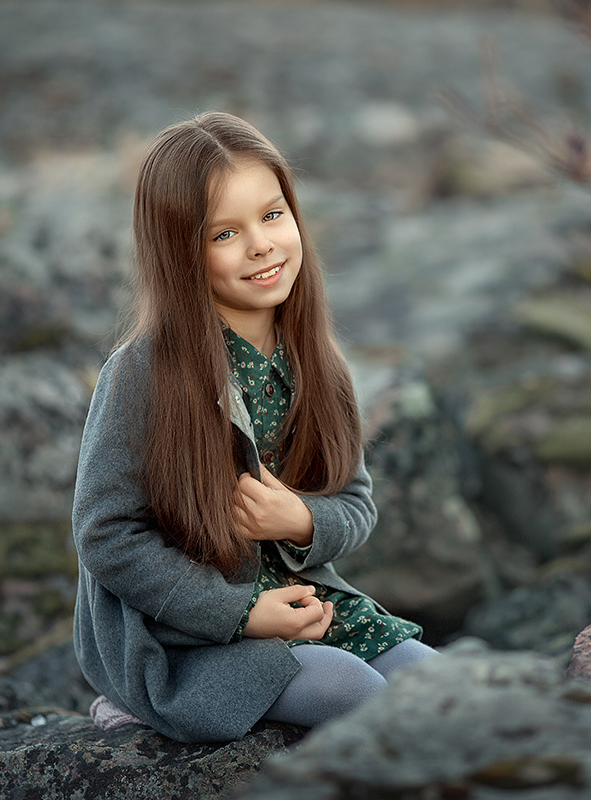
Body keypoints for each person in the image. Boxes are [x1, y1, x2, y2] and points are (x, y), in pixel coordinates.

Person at [71, 111, 434, 742]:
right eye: (224, 234)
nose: (261, 244)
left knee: (438, 688)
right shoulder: (141, 374)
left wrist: (302, 521)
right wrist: (243, 613)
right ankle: (142, 708)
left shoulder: (317, 364)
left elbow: (356, 500)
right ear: (180, 253)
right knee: (355, 692)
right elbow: (104, 533)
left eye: (271, 216)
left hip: (303, 605)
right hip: (181, 636)